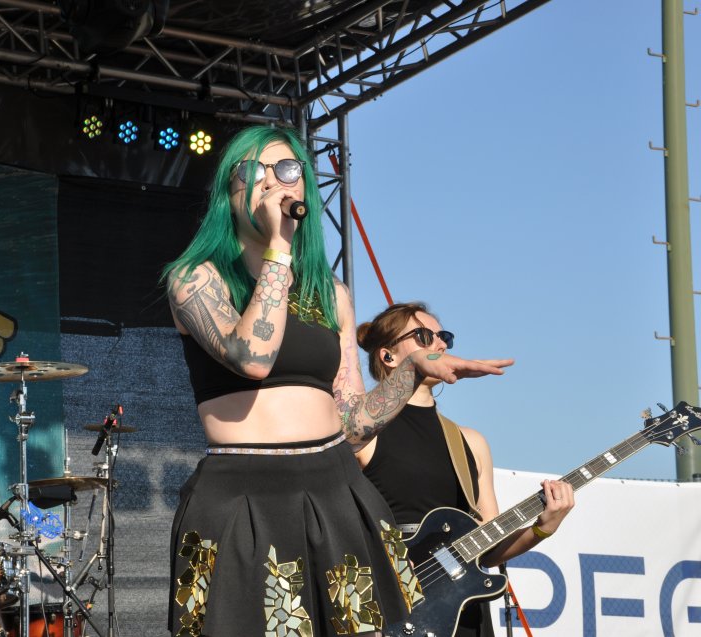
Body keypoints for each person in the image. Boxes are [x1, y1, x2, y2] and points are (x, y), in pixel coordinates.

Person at [162, 125, 514, 636]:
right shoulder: (197, 277)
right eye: (253, 171)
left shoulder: (332, 295)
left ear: (304, 187)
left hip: (333, 488)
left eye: (286, 170)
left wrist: (412, 371)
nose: (271, 182)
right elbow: (252, 356)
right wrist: (279, 250)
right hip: (243, 493)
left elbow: (353, 425)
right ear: (228, 191)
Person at [355, 303, 575, 637]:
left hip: (462, 616)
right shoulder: (363, 435)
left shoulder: (469, 442)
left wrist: (542, 529)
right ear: (388, 356)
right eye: (424, 336)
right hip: (388, 613)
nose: (441, 344)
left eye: (444, 336)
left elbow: (488, 547)